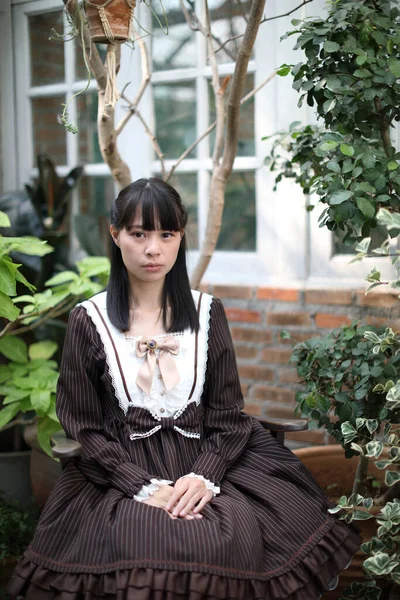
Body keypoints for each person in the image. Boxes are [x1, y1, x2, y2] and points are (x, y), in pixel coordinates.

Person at [8, 178, 360, 600]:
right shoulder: (91, 319)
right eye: (139, 234)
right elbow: (83, 426)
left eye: (166, 234)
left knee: (232, 535)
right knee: (146, 541)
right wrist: (142, 485)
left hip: (206, 458)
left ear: (180, 238)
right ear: (115, 234)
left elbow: (228, 415)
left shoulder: (207, 312)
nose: (152, 248)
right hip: (124, 468)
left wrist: (205, 477)